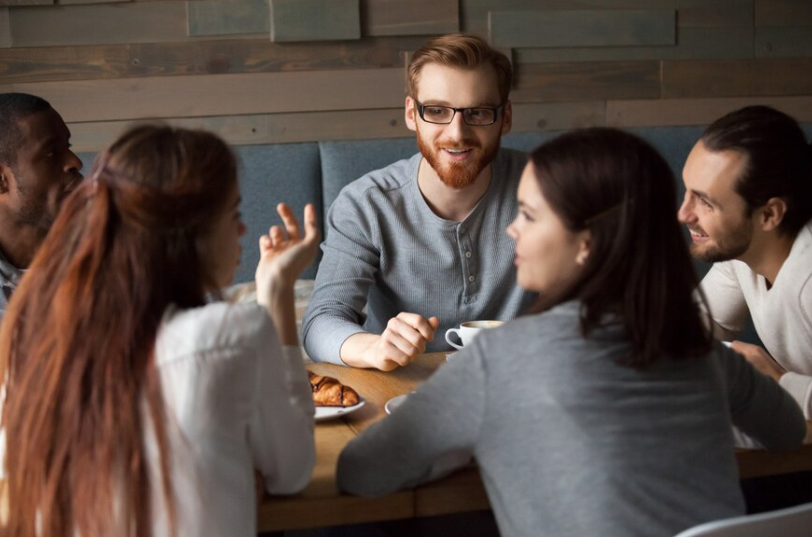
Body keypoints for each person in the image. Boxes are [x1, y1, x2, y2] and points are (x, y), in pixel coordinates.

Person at [336, 128, 806, 537]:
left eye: (530, 215)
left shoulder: (499, 359)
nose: (511, 230)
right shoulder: (697, 348)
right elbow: (786, 431)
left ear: (587, 244)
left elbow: (360, 472)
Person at [0, 125, 320, 537]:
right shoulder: (233, 332)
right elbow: (292, 472)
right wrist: (275, 291)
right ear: (187, 235)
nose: (243, 231)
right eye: (234, 214)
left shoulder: (35, 342)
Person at [302, 33, 533, 371]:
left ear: (506, 117)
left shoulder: (547, 187)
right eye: (437, 111)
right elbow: (321, 321)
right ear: (412, 113)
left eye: (478, 112)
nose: (457, 133)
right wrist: (374, 348)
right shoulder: (366, 205)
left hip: (525, 385)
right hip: (403, 394)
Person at [677, 105, 812, 512]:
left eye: (705, 202)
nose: (683, 214)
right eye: (687, 191)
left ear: (770, 214)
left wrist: (781, 381)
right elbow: (688, 333)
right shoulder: (742, 253)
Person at [0, 92, 83, 318]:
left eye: (68, 146)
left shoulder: (115, 253)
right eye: (50, 153)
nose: (75, 162)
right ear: (2, 180)